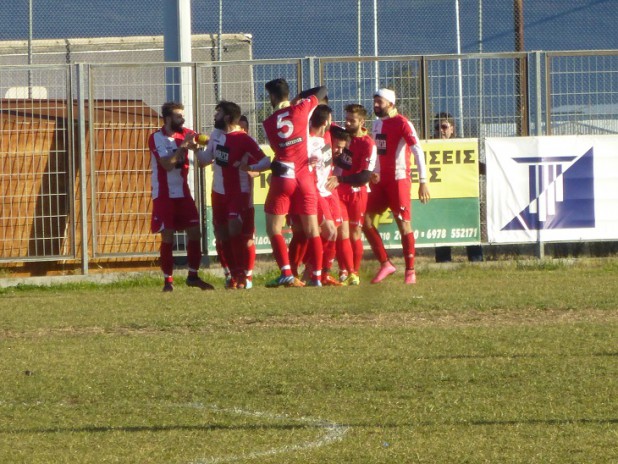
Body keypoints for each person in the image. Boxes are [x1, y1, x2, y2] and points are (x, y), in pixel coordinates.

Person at [261, 78, 328, 287]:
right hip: (305, 177)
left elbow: (277, 149)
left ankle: (287, 273)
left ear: (272, 97)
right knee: (312, 229)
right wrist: (300, 97)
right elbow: (322, 90)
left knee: (274, 229)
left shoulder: (268, 123)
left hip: (283, 178)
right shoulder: (302, 108)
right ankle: (316, 277)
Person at [199, 101, 270, 289]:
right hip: (218, 193)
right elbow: (204, 160)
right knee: (222, 235)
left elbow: (266, 161)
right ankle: (233, 276)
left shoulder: (244, 139)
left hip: (238, 193)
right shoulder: (216, 136)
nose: (215, 116)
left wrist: (251, 167)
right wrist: (195, 148)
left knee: (235, 231)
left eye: (218, 113)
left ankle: (243, 276)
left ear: (227, 117)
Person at [362, 88, 430, 284]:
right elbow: (377, 151)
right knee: (364, 220)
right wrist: (371, 172)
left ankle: (410, 271)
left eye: (380, 102)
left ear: (391, 104)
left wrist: (423, 181)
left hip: (399, 179)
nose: (376, 105)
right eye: (375, 101)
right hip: (379, 180)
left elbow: (417, 150)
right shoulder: (376, 124)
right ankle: (385, 264)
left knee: (403, 224)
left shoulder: (403, 123)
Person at [148, 101, 214, 292]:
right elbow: (167, 165)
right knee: (168, 236)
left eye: (183, 116)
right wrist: (183, 147)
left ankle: (193, 276)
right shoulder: (156, 138)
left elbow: (206, 140)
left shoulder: (186, 133)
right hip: (164, 194)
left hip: (183, 192)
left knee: (194, 232)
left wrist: (203, 143)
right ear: (168, 118)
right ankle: (168, 281)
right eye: (178, 116)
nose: (182, 120)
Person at [326, 105, 377, 286]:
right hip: (339, 192)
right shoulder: (343, 133)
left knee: (355, 234)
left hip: (357, 193)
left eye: (352, 120)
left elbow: (364, 177)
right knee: (342, 232)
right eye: (346, 119)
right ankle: (345, 271)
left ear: (362, 122)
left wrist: (341, 178)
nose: (347, 123)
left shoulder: (368, 144)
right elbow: (323, 122)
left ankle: (353, 272)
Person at [432, 112, 483, 263]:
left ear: (452, 129)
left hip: (462, 195)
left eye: (444, 127)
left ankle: (476, 260)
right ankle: (443, 262)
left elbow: (474, 165)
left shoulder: (462, 146)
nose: (440, 131)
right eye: (437, 127)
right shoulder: (429, 146)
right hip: (440, 197)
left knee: (470, 227)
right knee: (441, 229)